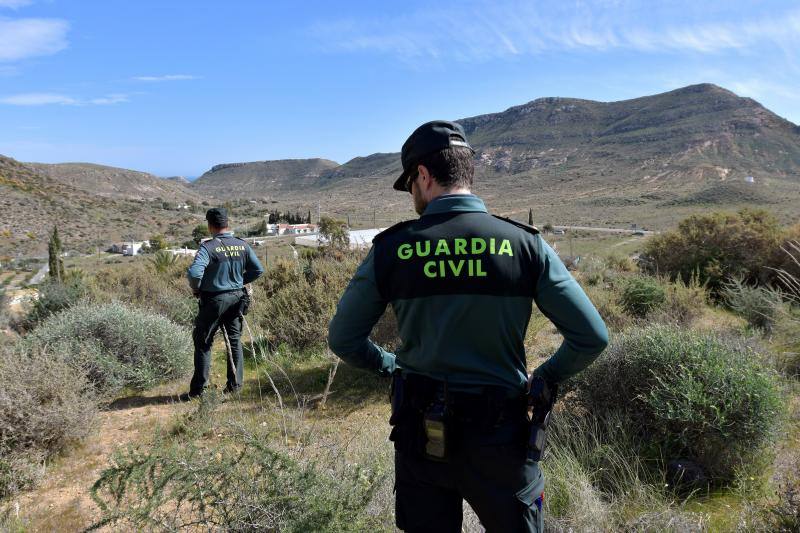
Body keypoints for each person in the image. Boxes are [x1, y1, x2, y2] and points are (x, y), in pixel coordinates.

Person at [328, 120, 608, 532]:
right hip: (502, 436)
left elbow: (344, 339)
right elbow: (591, 336)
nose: (412, 195)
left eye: (409, 184)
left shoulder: (392, 249)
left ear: (423, 175)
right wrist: (545, 377)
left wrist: (391, 366)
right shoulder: (524, 244)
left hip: (420, 436)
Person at [180, 207, 265, 401]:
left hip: (213, 301)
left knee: (203, 342)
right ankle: (234, 386)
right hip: (237, 298)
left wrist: (197, 289)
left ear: (210, 226)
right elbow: (258, 270)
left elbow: (194, 274)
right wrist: (240, 282)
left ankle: (198, 391)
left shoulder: (208, 247)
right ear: (227, 224)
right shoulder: (242, 245)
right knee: (234, 342)